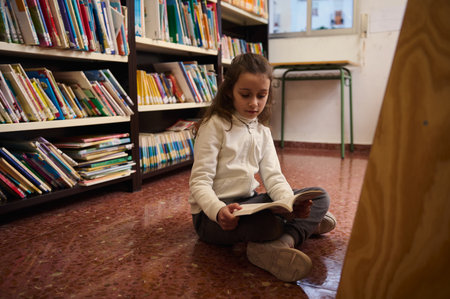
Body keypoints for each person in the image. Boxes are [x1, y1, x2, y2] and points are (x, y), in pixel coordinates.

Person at [188, 53, 336, 282]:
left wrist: (288, 203)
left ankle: (282, 242)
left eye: (262, 95)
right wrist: (218, 211)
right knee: (267, 225)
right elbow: (199, 182)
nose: (254, 103)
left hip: (248, 204)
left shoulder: (262, 131)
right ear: (229, 91)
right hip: (213, 218)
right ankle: (300, 228)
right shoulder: (214, 125)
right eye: (245, 95)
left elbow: (274, 176)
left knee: (320, 197)